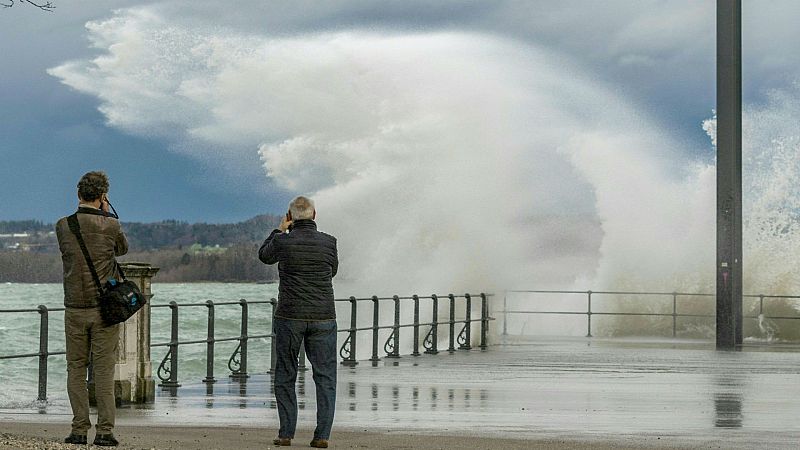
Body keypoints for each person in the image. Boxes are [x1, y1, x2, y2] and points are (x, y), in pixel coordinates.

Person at [259, 196, 339, 449]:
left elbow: (264, 256)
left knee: (285, 373)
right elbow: (332, 270)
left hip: (289, 316)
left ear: (290, 217)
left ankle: (286, 434)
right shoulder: (329, 242)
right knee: (325, 377)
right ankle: (322, 435)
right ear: (314, 214)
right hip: (323, 316)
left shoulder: (283, 241)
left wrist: (278, 230)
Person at [55, 171, 128, 447]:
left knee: (75, 369)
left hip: (74, 307)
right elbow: (122, 250)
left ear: (78, 194)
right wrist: (108, 214)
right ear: (102, 197)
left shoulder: (63, 225)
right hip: (104, 310)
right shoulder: (111, 226)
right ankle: (105, 432)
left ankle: (78, 429)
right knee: (104, 371)